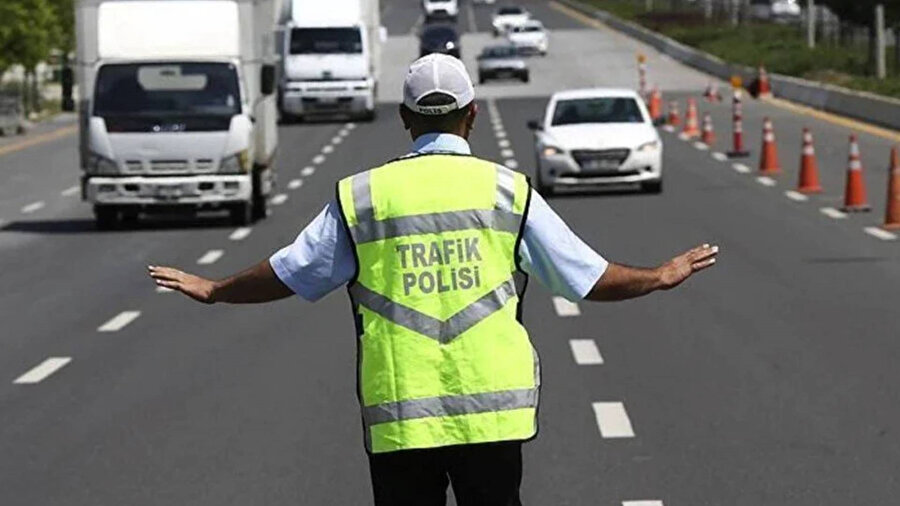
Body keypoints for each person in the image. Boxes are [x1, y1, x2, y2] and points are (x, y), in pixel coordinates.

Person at [148, 54, 718, 506]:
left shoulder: (364, 196)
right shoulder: (506, 191)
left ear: (404, 119)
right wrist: (659, 276)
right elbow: (586, 278)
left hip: (401, 414)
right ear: (471, 116)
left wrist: (216, 289)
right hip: (493, 415)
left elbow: (293, 272)